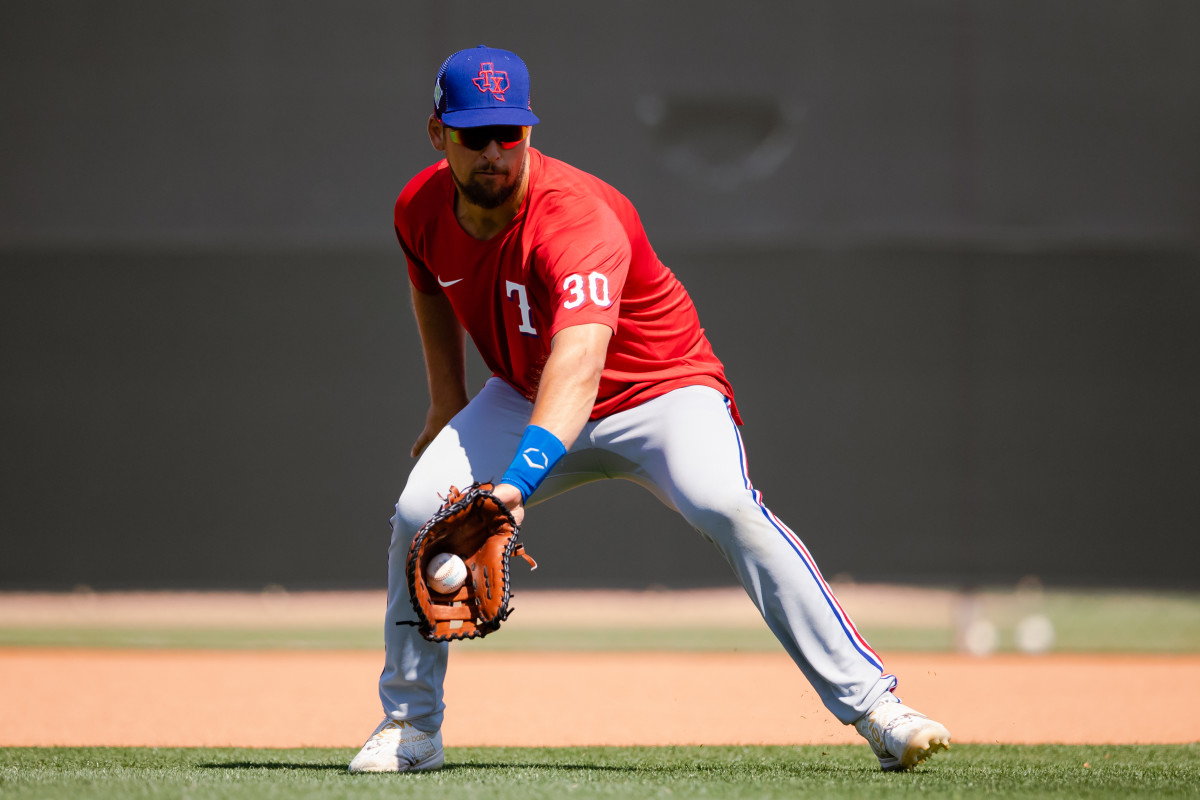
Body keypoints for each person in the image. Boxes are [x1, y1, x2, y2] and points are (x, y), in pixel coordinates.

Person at [349, 45, 950, 774]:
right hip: (524, 390)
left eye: (510, 133)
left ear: (530, 133)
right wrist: (446, 402)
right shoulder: (419, 207)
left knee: (724, 504)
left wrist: (514, 487)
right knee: (420, 511)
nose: (494, 153)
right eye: (475, 136)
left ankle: (879, 710)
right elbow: (430, 285)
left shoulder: (576, 218)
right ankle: (412, 727)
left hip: (658, 391)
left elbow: (580, 367)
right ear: (439, 135)